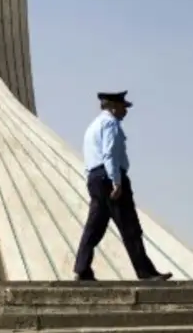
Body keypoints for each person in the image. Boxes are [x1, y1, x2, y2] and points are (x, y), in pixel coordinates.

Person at [73, 90, 173, 282]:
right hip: (110, 178)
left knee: (94, 228)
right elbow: (109, 153)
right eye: (122, 107)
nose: (125, 111)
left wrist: (96, 180)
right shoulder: (111, 124)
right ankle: (146, 273)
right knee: (130, 227)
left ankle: (82, 269)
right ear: (112, 106)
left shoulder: (92, 126)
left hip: (95, 179)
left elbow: (90, 157)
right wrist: (116, 181)